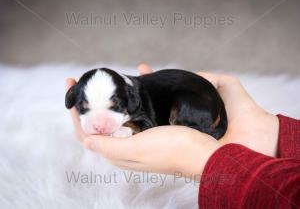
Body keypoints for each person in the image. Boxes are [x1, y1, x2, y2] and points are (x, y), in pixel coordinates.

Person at [65, 64, 300, 208]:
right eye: (85, 107)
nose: (98, 123)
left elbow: (146, 123)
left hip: (193, 99)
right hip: (192, 97)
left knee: (179, 110)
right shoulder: (127, 94)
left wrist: (198, 157)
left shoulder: (135, 98)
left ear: (129, 100)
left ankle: (195, 128)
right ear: (73, 98)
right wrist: (272, 134)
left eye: (113, 107)